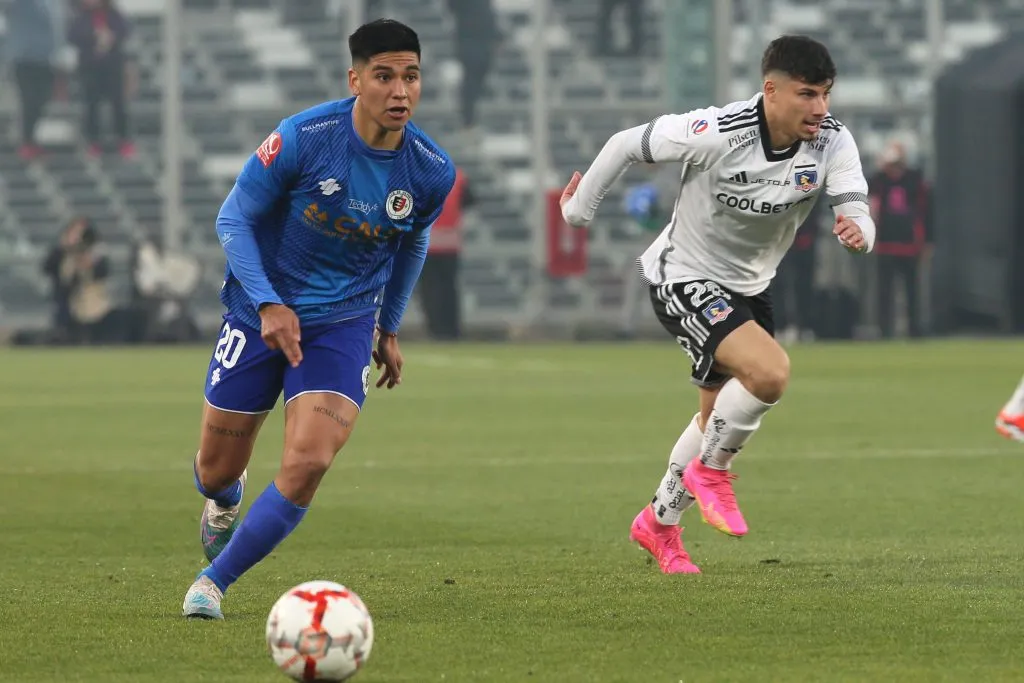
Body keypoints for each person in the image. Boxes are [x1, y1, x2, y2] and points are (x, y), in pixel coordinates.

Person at [559, 35, 875, 574]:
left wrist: (859, 230)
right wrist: (578, 211)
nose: (820, 108)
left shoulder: (832, 142)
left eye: (825, 94)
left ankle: (658, 524)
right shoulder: (716, 131)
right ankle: (713, 473)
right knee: (770, 374)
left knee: (716, 417)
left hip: (750, 287)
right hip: (682, 275)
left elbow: (855, 203)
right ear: (770, 91)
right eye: (807, 95)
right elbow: (623, 143)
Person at [182, 19, 456, 619]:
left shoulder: (431, 170)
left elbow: (411, 243)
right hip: (260, 313)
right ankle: (223, 500)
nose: (400, 91)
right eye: (384, 76)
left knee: (309, 461)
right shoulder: (304, 138)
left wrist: (388, 326)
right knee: (212, 469)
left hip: (344, 325)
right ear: (355, 79)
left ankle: (213, 583)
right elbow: (233, 220)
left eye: (411, 76)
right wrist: (268, 304)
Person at [868, 140, 931, 338]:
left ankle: (914, 329)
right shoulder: (879, 181)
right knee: (884, 291)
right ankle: (884, 330)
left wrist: (927, 241)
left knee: (912, 290)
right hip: (886, 244)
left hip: (909, 244)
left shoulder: (915, 180)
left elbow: (926, 213)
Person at [67, 0, 135, 158]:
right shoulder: (80, 17)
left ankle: (123, 140)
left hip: (112, 67)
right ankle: (93, 141)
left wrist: (111, 37)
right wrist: (93, 37)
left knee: (118, 104)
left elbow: (125, 31)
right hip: (90, 68)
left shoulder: (114, 14)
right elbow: (72, 36)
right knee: (91, 105)